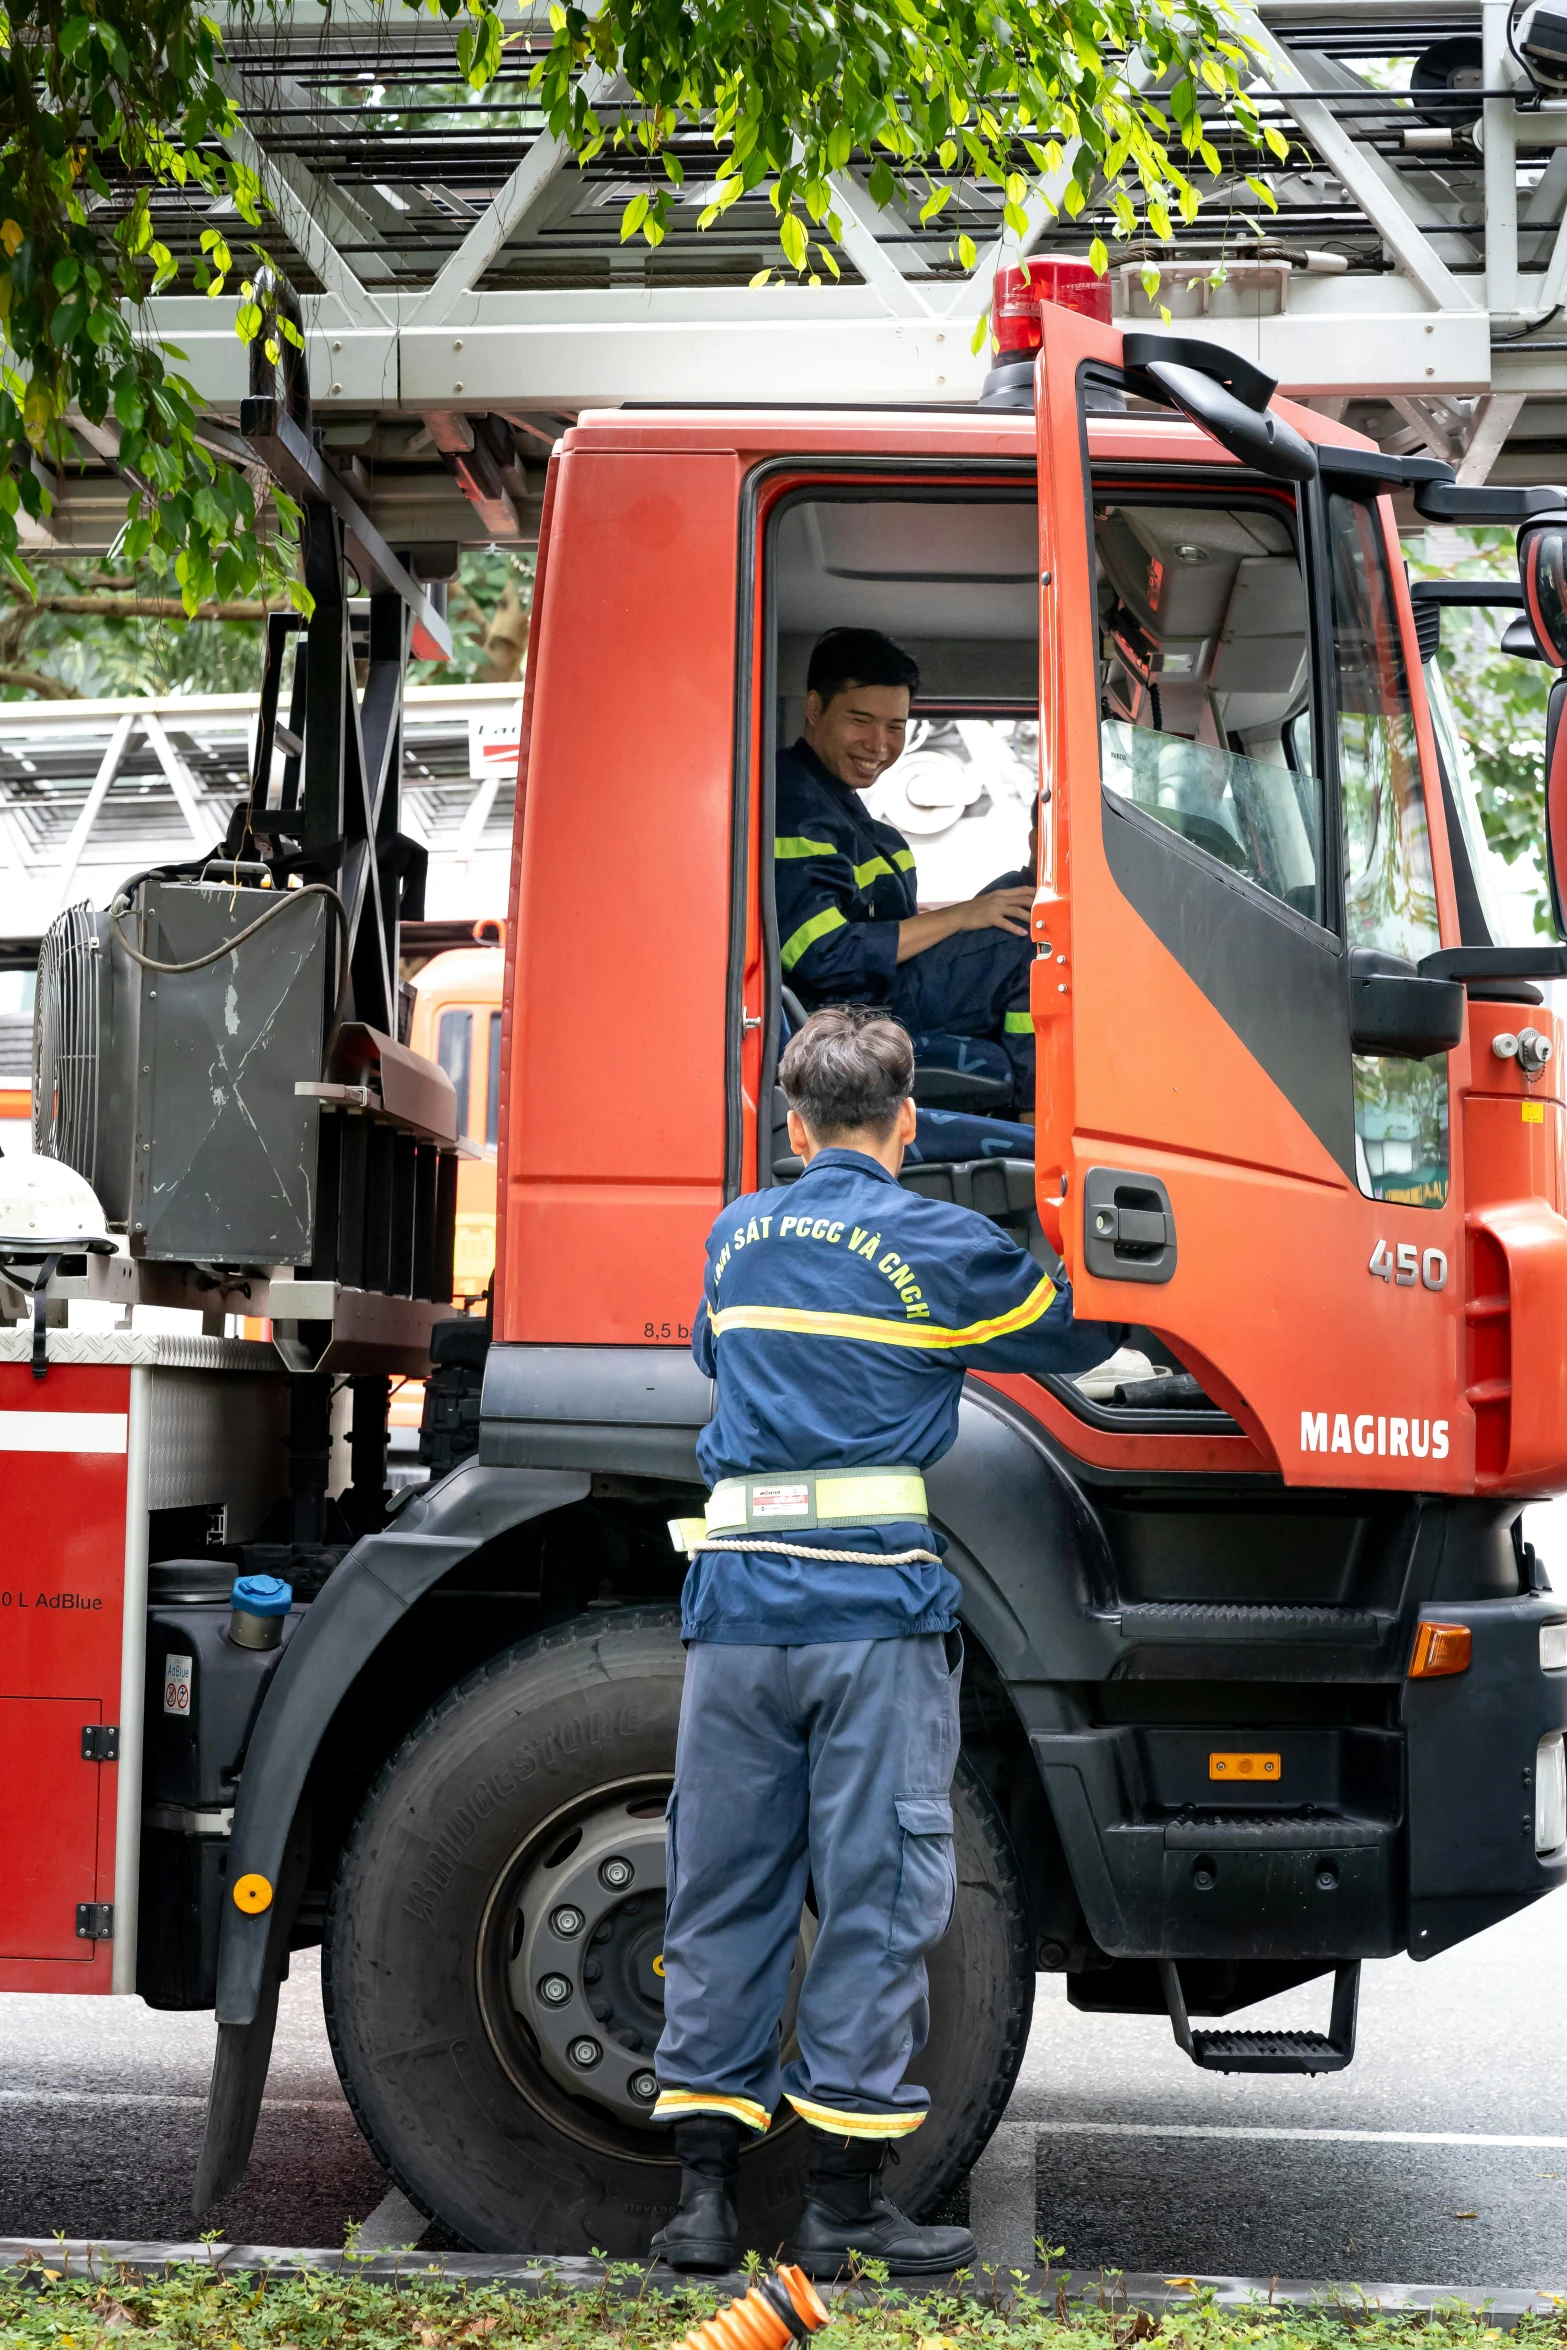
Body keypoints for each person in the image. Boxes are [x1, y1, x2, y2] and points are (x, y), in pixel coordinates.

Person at [650, 1007, 1121, 2278]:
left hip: (738, 1614)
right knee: (875, 1892)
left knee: (723, 1884)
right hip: (869, 1620)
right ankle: (843, 2201)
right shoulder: (943, 1243)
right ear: (905, 1119)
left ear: (794, 1127)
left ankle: (699, 2204)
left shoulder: (737, 1234)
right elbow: (1075, 1332)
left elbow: (712, 1354)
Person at [776, 629, 1038, 1104]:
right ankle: (1036, 1111)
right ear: (814, 708)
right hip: (848, 1018)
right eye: (861, 720)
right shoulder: (796, 806)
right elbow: (821, 955)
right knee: (1031, 934)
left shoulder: (841, 810)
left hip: (874, 994)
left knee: (1017, 891)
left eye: (895, 727)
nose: (879, 744)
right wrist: (960, 917)